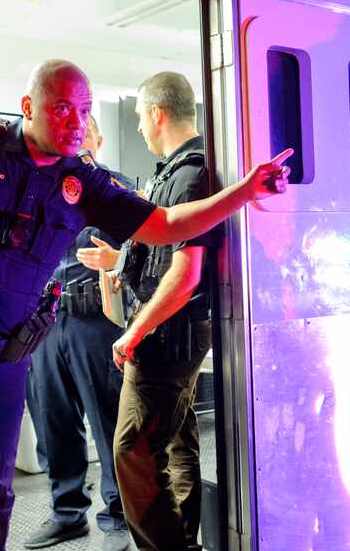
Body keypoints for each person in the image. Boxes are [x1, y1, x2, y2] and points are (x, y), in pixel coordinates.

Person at [0, 58, 292, 547]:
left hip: (7, 356)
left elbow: (167, 224)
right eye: (62, 108)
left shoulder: (82, 182)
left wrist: (245, 191)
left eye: (83, 111)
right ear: (28, 107)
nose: (76, 121)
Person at [77, 71, 214, 551]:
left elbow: (186, 274)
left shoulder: (189, 176)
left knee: (132, 452)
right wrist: (122, 262)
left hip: (165, 337)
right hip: (172, 333)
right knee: (177, 442)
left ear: (157, 114)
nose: (138, 128)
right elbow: (161, 259)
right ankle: (184, 540)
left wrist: (133, 332)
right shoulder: (177, 173)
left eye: (139, 117)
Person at [23, 115, 133, 551]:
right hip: (46, 324)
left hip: (96, 322)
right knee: (54, 422)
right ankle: (67, 514)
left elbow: (143, 253)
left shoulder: (116, 190)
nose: (77, 134)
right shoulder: (39, 189)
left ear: (99, 139)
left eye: (86, 127)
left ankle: (118, 517)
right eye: (69, 128)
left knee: (109, 422)